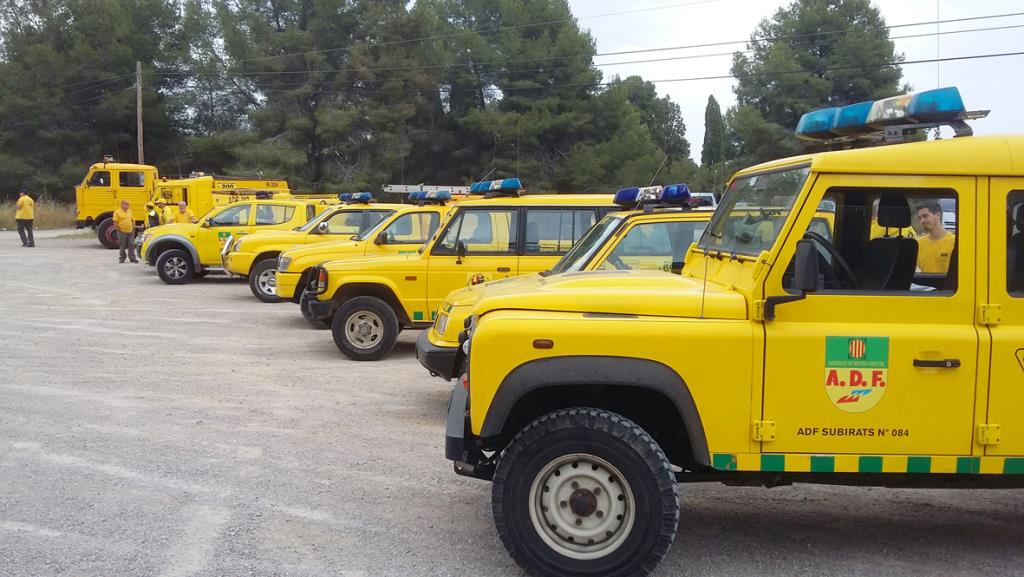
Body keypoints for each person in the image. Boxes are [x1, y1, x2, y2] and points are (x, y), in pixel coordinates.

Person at [916, 200, 955, 274]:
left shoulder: (954, 243)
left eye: (925, 216)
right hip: (926, 285)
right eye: (920, 218)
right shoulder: (918, 244)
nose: (922, 221)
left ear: (938, 215)